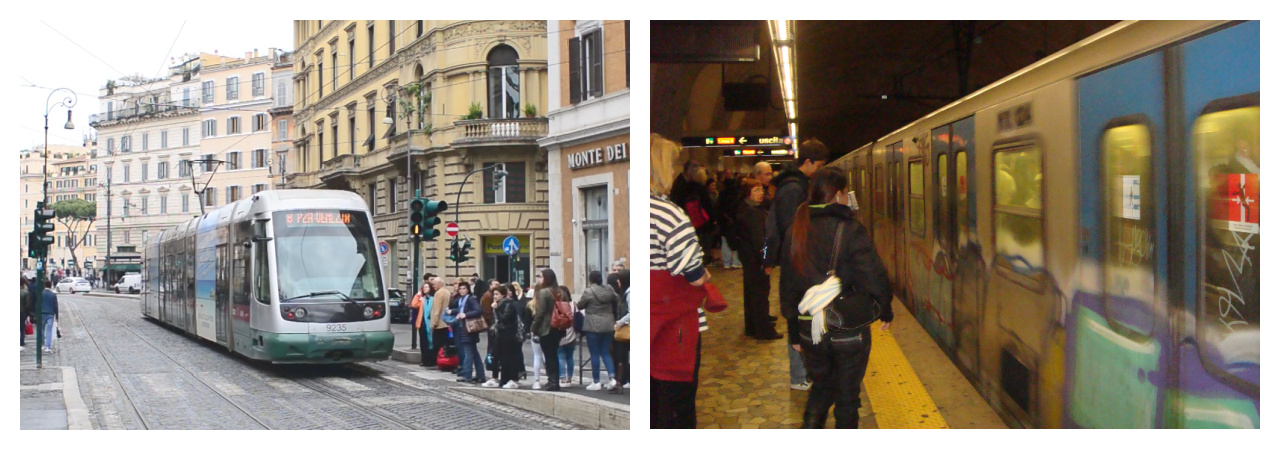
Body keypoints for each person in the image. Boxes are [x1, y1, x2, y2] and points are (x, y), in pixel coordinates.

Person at [780, 166, 894, 428]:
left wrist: (794, 334)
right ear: (839, 195)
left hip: (810, 328)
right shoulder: (851, 229)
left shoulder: (795, 230)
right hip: (848, 328)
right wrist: (885, 311)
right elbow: (874, 277)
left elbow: (789, 286)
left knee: (820, 390)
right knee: (847, 398)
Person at [650, 134, 713, 428]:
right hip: (675, 327)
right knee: (677, 406)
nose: (675, 172)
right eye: (672, 164)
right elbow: (694, 273)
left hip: (649, 324)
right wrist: (703, 273)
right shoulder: (667, 214)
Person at [764, 138, 830, 391]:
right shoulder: (794, 190)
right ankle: (798, 375)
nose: (821, 170)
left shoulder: (793, 185)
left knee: (801, 314)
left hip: (795, 259)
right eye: (820, 165)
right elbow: (794, 228)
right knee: (798, 316)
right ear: (808, 162)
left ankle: (803, 372)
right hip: (796, 259)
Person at [736, 178, 783, 340]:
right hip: (756, 259)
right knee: (760, 294)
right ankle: (764, 330)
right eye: (756, 190)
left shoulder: (747, 208)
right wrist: (767, 261)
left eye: (761, 190)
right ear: (748, 193)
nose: (761, 193)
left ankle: (753, 325)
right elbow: (759, 240)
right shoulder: (752, 212)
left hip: (749, 257)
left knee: (752, 293)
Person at [578, 270, 622, 390]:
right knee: (606, 352)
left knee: (594, 353)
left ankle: (596, 381)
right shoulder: (609, 289)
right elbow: (617, 299)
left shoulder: (588, 291)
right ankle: (612, 378)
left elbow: (580, 305)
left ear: (590, 279)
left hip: (592, 324)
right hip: (608, 323)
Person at [530, 269, 567, 391]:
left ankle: (553, 382)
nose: (539, 280)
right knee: (554, 354)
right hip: (559, 326)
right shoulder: (561, 291)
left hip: (547, 327)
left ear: (546, 278)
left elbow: (540, 313)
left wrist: (533, 328)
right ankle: (554, 381)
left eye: (541, 277)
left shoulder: (543, 292)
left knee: (549, 355)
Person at [448, 282, 484, 383]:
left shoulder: (470, 299)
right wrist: (453, 311)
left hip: (469, 329)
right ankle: (480, 375)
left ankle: (467, 375)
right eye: (460, 289)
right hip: (463, 328)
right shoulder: (461, 300)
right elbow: (461, 310)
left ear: (468, 290)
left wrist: (466, 315)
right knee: (474, 353)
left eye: (464, 288)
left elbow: (478, 310)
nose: (462, 290)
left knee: (468, 353)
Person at [492, 285, 525, 389]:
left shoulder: (508, 304)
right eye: (494, 294)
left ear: (503, 295)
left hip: (509, 334)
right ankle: (503, 379)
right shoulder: (500, 304)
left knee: (508, 358)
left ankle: (510, 379)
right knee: (501, 357)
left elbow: (504, 318)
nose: (495, 296)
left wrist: (496, 309)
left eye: (497, 294)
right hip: (501, 334)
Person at [608, 270, 631, 393]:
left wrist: (620, 322)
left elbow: (632, 312)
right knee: (621, 355)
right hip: (624, 328)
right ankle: (621, 381)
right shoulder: (625, 293)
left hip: (625, 328)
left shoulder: (629, 293)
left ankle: (621, 381)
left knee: (621, 355)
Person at [520, 279, 546, 389]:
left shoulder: (530, 304)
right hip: (547, 331)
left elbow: (527, 321)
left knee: (537, 356)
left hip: (535, 332)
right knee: (548, 356)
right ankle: (552, 378)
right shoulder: (548, 302)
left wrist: (530, 331)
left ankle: (537, 380)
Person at [428, 278, 453, 372]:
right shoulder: (447, 292)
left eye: (434, 284)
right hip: (446, 323)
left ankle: (439, 362)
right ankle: (446, 361)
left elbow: (437, 310)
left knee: (437, 345)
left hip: (439, 323)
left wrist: (433, 323)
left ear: (439, 284)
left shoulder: (438, 293)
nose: (433, 286)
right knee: (445, 344)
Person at [556, 286, 579, 387]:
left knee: (560, 356)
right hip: (572, 332)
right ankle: (569, 378)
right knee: (570, 357)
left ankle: (562, 377)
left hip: (560, 331)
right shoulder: (573, 305)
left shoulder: (556, 305)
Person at [410, 276, 434, 367]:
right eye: (424, 288)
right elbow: (414, 304)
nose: (425, 289)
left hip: (431, 323)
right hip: (422, 323)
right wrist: (418, 294)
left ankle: (431, 360)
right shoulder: (421, 299)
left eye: (427, 287)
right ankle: (424, 360)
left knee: (430, 342)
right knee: (423, 343)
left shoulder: (433, 298)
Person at [41, 279, 59, 354]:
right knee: (49, 330)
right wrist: (57, 316)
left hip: (42, 313)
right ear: (50, 286)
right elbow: (56, 306)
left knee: (41, 329)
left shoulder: (41, 294)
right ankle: (48, 347)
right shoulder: (53, 295)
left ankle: (42, 344)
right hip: (50, 314)